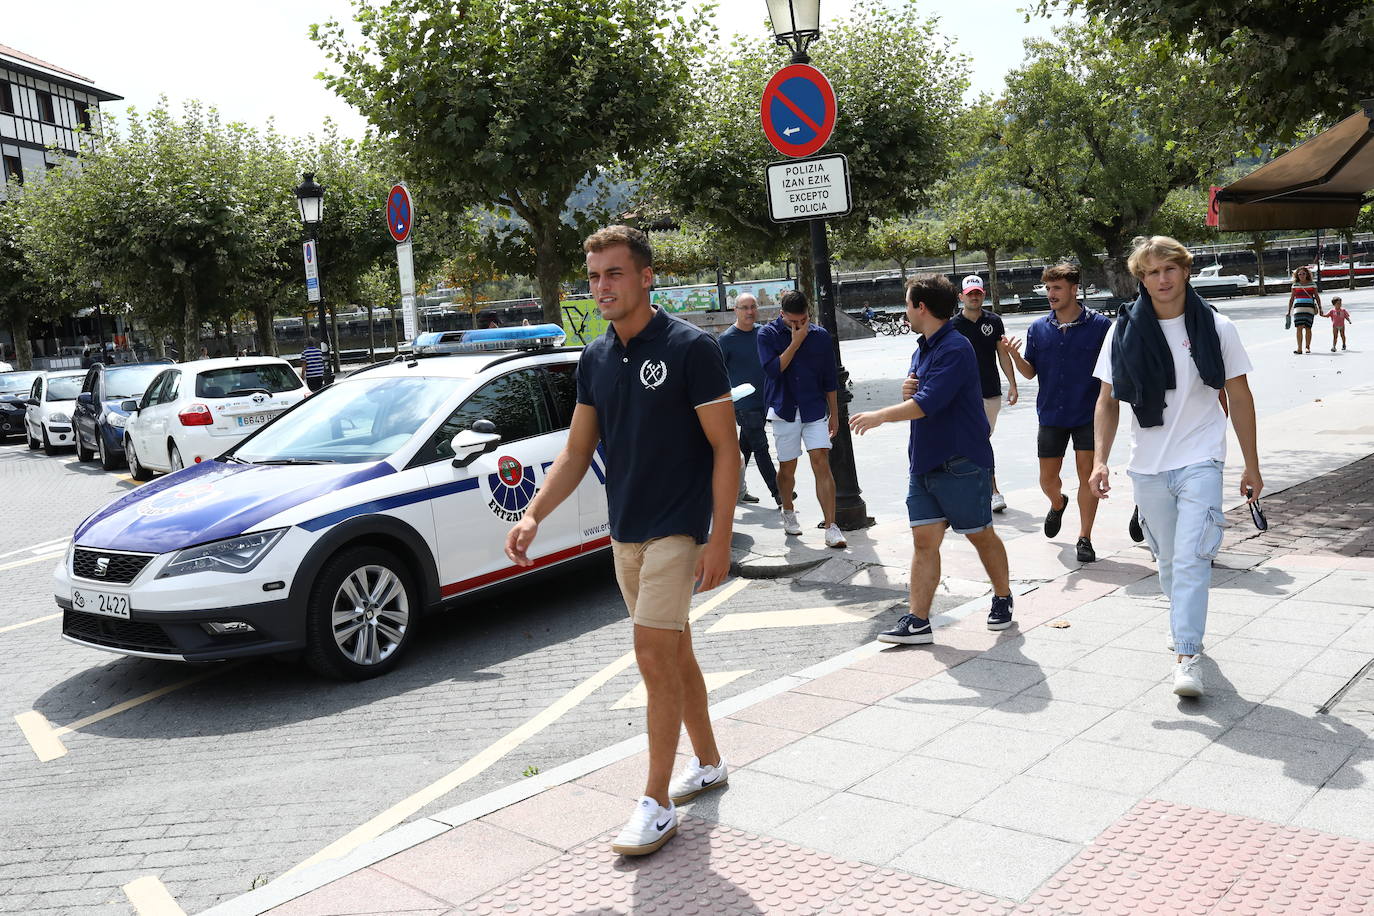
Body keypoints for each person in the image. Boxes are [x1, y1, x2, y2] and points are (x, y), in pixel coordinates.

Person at [505, 225, 736, 857]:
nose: (601, 287)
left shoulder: (691, 349)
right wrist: (533, 515)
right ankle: (709, 762)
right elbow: (577, 453)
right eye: (593, 277)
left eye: (613, 274)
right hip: (624, 534)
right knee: (674, 652)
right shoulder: (596, 358)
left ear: (645, 276)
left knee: (652, 659)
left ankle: (656, 801)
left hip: (677, 529)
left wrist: (718, 537)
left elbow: (725, 447)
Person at [1090, 235, 1262, 698]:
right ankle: (1181, 624)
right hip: (1147, 465)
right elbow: (1106, 400)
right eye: (1150, 272)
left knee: (1191, 558)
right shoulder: (1121, 330)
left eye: (1169, 269)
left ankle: (1187, 654)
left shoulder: (1218, 327)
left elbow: (1239, 397)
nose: (1161, 279)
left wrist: (1251, 464)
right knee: (1166, 560)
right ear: (1140, 279)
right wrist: (1100, 460)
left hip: (1201, 458)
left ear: (1185, 271)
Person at [850, 274, 1014, 642]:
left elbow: (927, 404)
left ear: (921, 307)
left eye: (907, 303)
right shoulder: (922, 347)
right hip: (924, 461)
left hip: (961, 461)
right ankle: (918, 620)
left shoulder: (955, 347)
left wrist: (879, 415)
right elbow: (918, 387)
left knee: (980, 535)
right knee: (924, 542)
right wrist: (910, 385)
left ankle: (1002, 596)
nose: (905, 310)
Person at [1004, 263, 1112, 563]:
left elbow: (1111, 370)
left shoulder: (1101, 326)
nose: (1051, 294)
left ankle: (1084, 537)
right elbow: (1030, 372)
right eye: (1048, 288)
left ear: (1074, 289)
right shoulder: (1038, 328)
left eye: (1057, 288)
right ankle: (1057, 502)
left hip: (1088, 415)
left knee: (1087, 477)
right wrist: (1014, 355)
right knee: (1047, 480)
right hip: (1051, 414)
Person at [757, 290, 845, 548]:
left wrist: (835, 414)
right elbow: (773, 370)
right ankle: (788, 509)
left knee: (821, 461)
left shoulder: (820, 337)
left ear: (809, 313)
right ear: (781, 314)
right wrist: (796, 341)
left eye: (803, 320)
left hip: (814, 408)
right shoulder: (767, 335)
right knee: (788, 467)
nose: (798, 325)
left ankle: (831, 526)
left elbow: (830, 378)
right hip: (783, 409)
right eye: (793, 321)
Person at [950, 275, 1018, 513]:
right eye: (969, 294)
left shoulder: (994, 321)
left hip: (990, 392)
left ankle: (975, 488)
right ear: (961, 297)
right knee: (978, 440)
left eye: (978, 292)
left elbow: (1002, 354)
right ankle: (992, 490)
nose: (974, 297)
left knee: (980, 439)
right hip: (963, 395)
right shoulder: (952, 326)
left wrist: (1012, 383)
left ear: (984, 294)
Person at [718, 293, 780, 506]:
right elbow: (716, 373)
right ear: (735, 310)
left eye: (753, 307)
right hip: (743, 404)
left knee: (744, 449)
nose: (749, 312)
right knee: (761, 447)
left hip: (766, 401)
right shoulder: (726, 339)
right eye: (744, 307)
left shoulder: (763, 333)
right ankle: (780, 493)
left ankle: (734, 491)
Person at [1286, 266, 1322, 354]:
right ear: (1297, 275)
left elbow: (1317, 296)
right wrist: (1289, 311)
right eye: (1300, 274)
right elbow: (1291, 298)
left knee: (1308, 328)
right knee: (1299, 327)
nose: (1302, 275)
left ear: (1307, 274)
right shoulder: (1295, 285)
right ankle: (1299, 348)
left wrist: (1320, 308)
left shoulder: (1312, 284)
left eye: (1303, 273)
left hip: (1309, 308)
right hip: (1298, 308)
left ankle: (1307, 347)